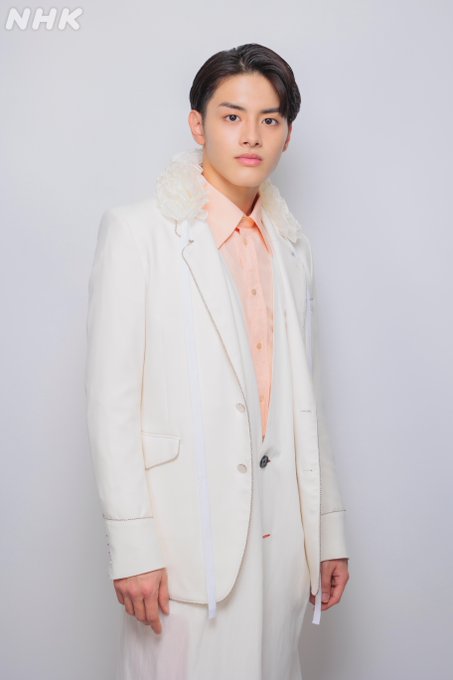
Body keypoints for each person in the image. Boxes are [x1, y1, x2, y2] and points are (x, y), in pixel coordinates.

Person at [85, 42, 350, 680]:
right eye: (232, 116)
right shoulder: (139, 233)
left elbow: (307, 401)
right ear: (197, 124)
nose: (251, 135)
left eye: (269, 119)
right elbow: (111, 404)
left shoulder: (292, 248)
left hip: (281, 540)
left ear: (287, 133)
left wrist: (327, 530)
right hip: (183, 538)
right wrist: (133, 545)